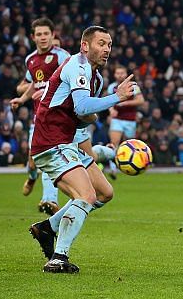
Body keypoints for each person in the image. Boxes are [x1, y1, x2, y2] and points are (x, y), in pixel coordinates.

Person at [28, 25, 135, 273]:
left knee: (104, 192)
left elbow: (81, 115)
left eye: (109, 44)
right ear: (85, 45)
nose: (107, 49)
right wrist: (117, 98)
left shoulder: (95, 78)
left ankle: (48, 228)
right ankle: (58, 258)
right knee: (86, 196)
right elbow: (84, 106)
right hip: (51, 142)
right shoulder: (78, 65)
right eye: (101, 43)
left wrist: (91, 124)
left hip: (68, 142)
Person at [10, 18, 70, 215]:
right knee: (33, 161)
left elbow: (70, 84)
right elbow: (35, 85)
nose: (43, 37)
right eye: (39, 34)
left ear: (53, 35)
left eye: (46, 33)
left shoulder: (63, 57)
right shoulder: (31, 60)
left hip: (58, 118)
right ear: (33, 37)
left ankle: (49, 200)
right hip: (39, 117)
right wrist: (21, 99)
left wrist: (47, 95)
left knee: (48, 159)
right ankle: (31, 175)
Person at [108, 65, 145, 147]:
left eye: (122, 73)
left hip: (130, 119)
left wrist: (124, 103)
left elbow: (141, 100)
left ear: (126, 74)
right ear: (114, 75)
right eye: (117, 73)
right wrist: (111, 110)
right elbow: (108, 101)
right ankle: (113, 159)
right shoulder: (111, 87)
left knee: (129, 145)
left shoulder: (133, 86)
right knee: (114, 143)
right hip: (117, 118)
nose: (120, 75)